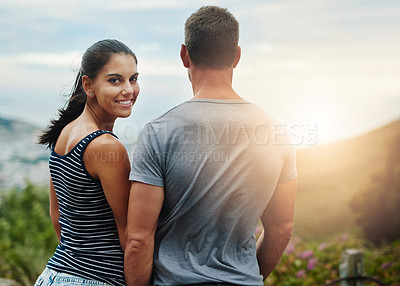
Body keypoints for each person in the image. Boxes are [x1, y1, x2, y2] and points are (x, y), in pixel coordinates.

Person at [125, 6, 297, 286]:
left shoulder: (158, 132)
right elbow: (282, 229)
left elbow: (138, 240)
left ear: (184, 55)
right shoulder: (276, 132)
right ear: (237, 56)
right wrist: (248, 277)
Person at [35, 39, 139, 286]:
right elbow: (131, 236)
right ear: (88, 85)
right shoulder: (105, 146)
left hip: (53, 276)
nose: (129, 89)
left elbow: (58, 218)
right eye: (115, 80)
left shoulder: (64, 133)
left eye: (133, 78)